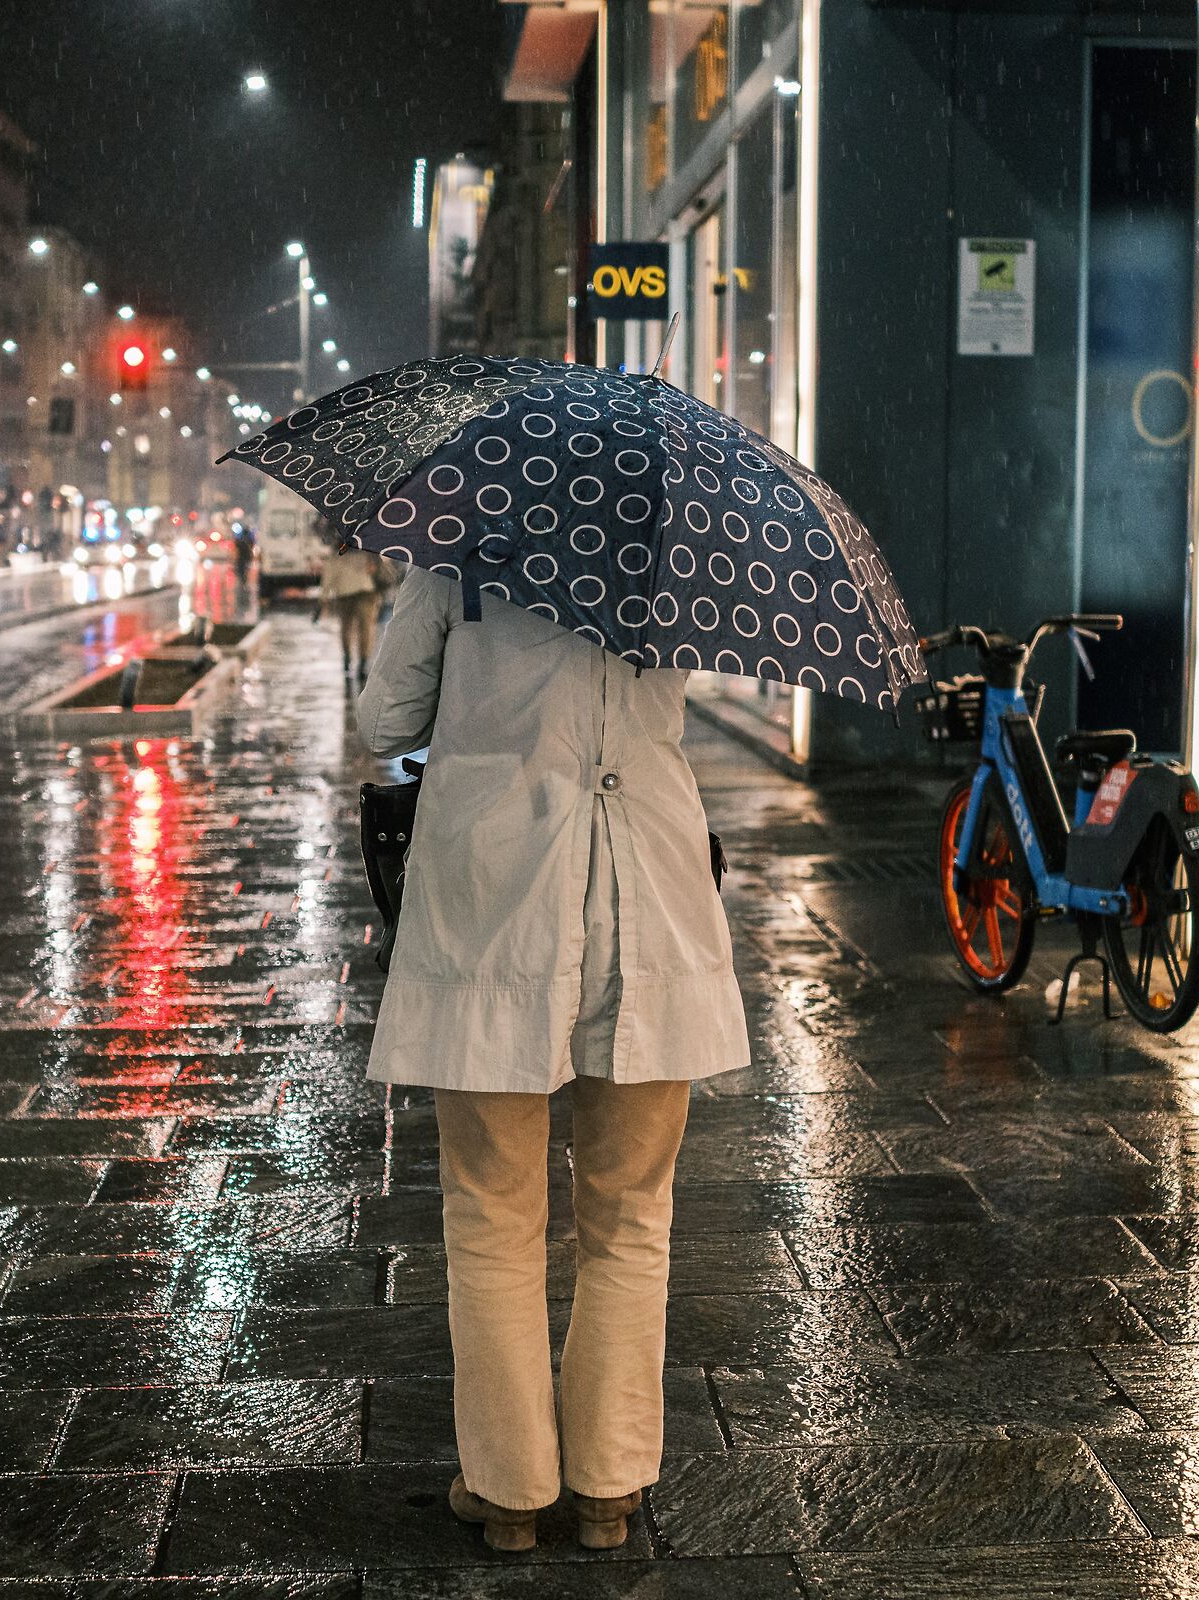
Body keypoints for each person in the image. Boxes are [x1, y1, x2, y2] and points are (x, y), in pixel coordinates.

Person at [354, 563, 748, 1554]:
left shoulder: (462, 545)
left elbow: (385, 721)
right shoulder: (676, 551)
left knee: (490, 1207)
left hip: (495, 898)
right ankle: (609, 1486)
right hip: (650, 894)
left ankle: (511, 1487)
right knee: (630, 1208)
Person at [316, 545, 386, 683]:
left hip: (344, 593)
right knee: (365, 629)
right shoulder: (366, 548)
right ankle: (363, 663)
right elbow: (377, 569)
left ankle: (347, 659)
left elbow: (328, 578)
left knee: (346, 628)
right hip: (365, 592)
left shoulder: (336, 554)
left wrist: (322, 600)